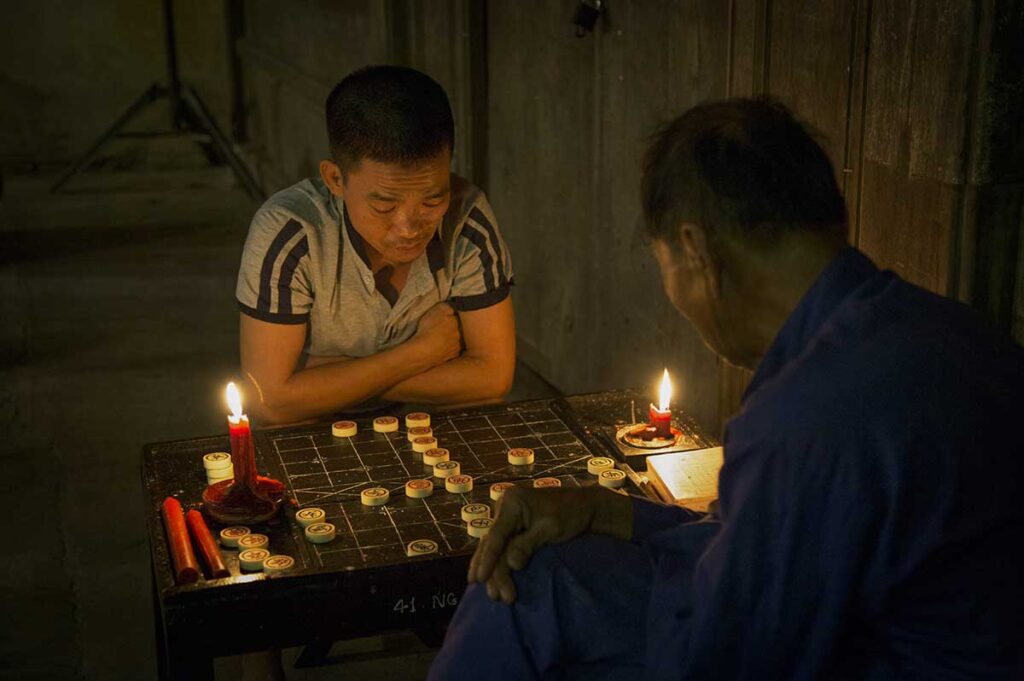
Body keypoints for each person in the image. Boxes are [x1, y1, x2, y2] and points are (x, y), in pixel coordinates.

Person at [428, 98, 1024, 679]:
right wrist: (603, 510)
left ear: (696, 252)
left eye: (664, 266)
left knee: (521, 600)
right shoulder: (947, 331)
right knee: (547, 577)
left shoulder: (806, 416)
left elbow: (730, 651)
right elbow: (765, 546)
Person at [236, 65, 515, 424]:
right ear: (335, 179)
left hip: (430, 426)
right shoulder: (291, 234)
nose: (409, 228)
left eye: (432, 201)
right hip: (314, 431)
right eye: (384, 205)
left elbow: (492, 379)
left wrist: (334, 375)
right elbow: (269, 401)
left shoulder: (466, 221)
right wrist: (420, 353)